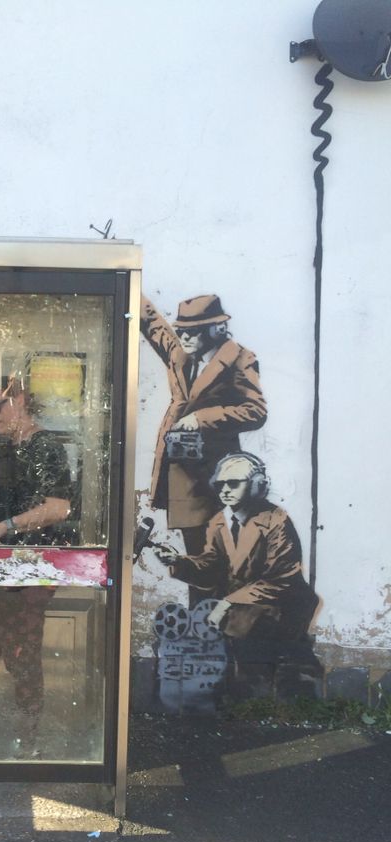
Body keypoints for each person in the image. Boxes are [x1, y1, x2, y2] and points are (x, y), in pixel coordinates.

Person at [0, 375, 72, 754]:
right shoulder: (1, 448)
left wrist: (4, 527)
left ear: (21, 400)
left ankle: (28, 737)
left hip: (29, 564)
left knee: (21, 652)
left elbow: (58, 508)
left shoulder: (46, 447)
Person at [150, 452, 320, 696]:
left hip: (281, 610)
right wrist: (178, 561)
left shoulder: (276, 520)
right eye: (220, 484)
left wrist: (229, 602)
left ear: (257, 485)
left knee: (265, 672)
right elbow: (211, 566)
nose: (225, 490)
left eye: (233, 483)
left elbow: (280, 579)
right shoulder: (219, 521)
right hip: (242, 611)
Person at [140, 294, 267, 605]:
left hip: (218, 480)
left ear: (216, 329)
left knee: (222, 561)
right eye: (181, 330)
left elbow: (256, 411)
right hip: (184, 480)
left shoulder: (239, 359)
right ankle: (202, 630)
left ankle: (221, 634)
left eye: (192, 331)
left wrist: (203, 418)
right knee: (196, 562)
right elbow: (153, 326)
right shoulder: (180, 353)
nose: (183, 337)